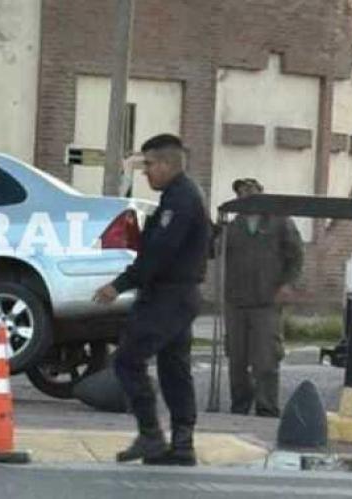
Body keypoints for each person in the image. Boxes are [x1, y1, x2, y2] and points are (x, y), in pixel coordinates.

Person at [93, 134, 210, 466]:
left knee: (128, 360)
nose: (146, 172)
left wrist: (120, 284)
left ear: (168, 164)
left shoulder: (180, 200)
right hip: (179, 295)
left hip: (168, 296)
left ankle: (151, 435)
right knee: (174, 369)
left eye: (149, 165)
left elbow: (159, 252)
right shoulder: (182, 195)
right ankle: (182, 444)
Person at [223, 178, 303, 417]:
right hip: (236, 300)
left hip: (267, 300)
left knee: (266, 358)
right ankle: (239, 406)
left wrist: (288, 284)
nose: (246, 196)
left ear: (261, 193)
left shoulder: (279, 222)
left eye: (250, 191)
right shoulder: (233, 226)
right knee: (237, 358)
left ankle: (267, 407)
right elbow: (214, 251)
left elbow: (296, 255)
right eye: (241, 192)